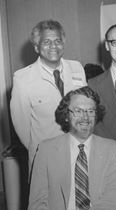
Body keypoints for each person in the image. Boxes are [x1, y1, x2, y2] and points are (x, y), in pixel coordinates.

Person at [28, 87, 116, 210]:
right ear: (67, 116)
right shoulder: (46, 150)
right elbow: (36, 206)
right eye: (78, 111)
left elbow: (112, 199)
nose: (85, 117)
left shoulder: (111, 148)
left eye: (90, 111)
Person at [10, 19, 87, 170]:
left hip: (78, 151)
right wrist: (40, 150)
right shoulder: (23, 78)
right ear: (36, 47)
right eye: (46, 42)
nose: (53, 46)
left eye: (58, 41)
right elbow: (22, 126)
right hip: (45, 157)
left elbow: (85, 108)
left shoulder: (77, 68)